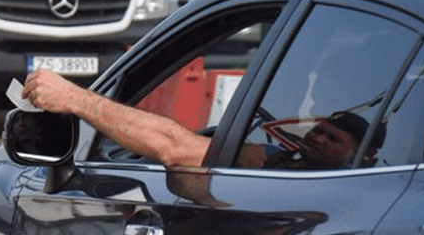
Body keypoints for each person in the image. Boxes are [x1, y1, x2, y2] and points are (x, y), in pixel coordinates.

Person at [20, 69, 380, 170]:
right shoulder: (274, 159)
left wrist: (75, 99)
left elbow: (175, 148)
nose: (318, 139)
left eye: (333, 140)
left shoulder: (349, 186)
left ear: (365, 157)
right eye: (319, 130)